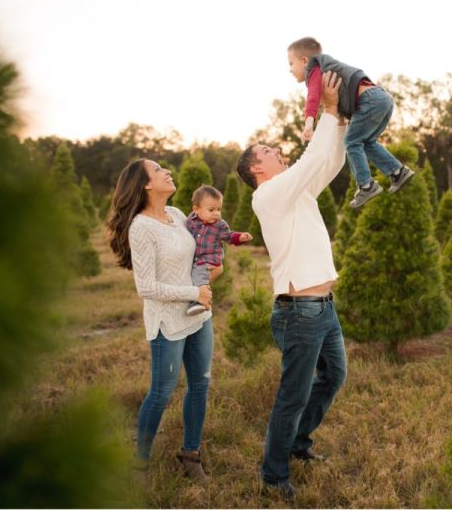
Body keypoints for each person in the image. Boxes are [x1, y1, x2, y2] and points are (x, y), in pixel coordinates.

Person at [235, 71, 347, 502]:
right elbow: (310, 160)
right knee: (292, 397)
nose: (277, 150)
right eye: (268, 151)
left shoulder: (296, 192)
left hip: (323, 307)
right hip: (299, 312)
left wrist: (340, 123)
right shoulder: (268, 196)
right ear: (256, 168)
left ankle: (298, 444)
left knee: (334, 376)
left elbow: (328, 163)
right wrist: (328, 109)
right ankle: (273, 476)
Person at [106, 159, 214, 485]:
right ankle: (140, 463)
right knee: (161, 392)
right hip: (168, 322)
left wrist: (211, 266)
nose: (167, 171)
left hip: (198, 316)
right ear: (146, 185)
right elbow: (146, 288)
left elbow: (198, 251)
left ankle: (191, 455)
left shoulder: (178, 215)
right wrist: (193, 292)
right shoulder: (141, 228)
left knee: (200, 385)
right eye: (158, 170)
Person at [287, 36, 414, 208]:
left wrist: (309, 122)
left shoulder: (314, 68)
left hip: (369, 100)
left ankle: (366, 186)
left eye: (291, 64)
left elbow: (313, 97)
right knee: (367, 142)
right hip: (382, 99)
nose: (290, 70)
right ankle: (398, 172)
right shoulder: (327, 68)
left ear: (304, 61)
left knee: (351, 142)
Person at [185, 184, 252, 316]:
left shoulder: (220, 225)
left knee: (200, 276)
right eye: (211, 210)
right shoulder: (191, 220)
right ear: (196, 209)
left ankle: (199, 302)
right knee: (194, 276)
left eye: (218, 209)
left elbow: (229, 236)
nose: (216, 213)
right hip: (195, 258)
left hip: (208, 260)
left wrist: (240, 237)